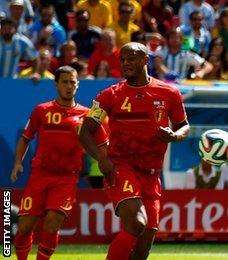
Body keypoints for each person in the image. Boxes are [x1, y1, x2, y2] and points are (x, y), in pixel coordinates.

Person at [79, 42, 190, 260]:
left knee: (142, 250)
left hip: (151, 174)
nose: (126, 63)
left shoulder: (170, 93)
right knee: (137, 223)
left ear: (145, 60)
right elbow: (85, 132)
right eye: (123, 59)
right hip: (121, 167)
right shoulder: (109, 95)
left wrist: (175, 136)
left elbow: (184, 125)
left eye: (132, 58)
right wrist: (102, 159)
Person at [12, 66, 108, 260]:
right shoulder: (42, 110)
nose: (69, 86)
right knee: (24, 226)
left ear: (78, 85)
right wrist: (17, 163)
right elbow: (25, 137)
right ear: (56, 84)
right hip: (40, 175)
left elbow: (103, 146)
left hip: (66, 178)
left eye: (72, 82)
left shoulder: (87, 116)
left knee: (52, 221)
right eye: (64, 82)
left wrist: (105, 162)